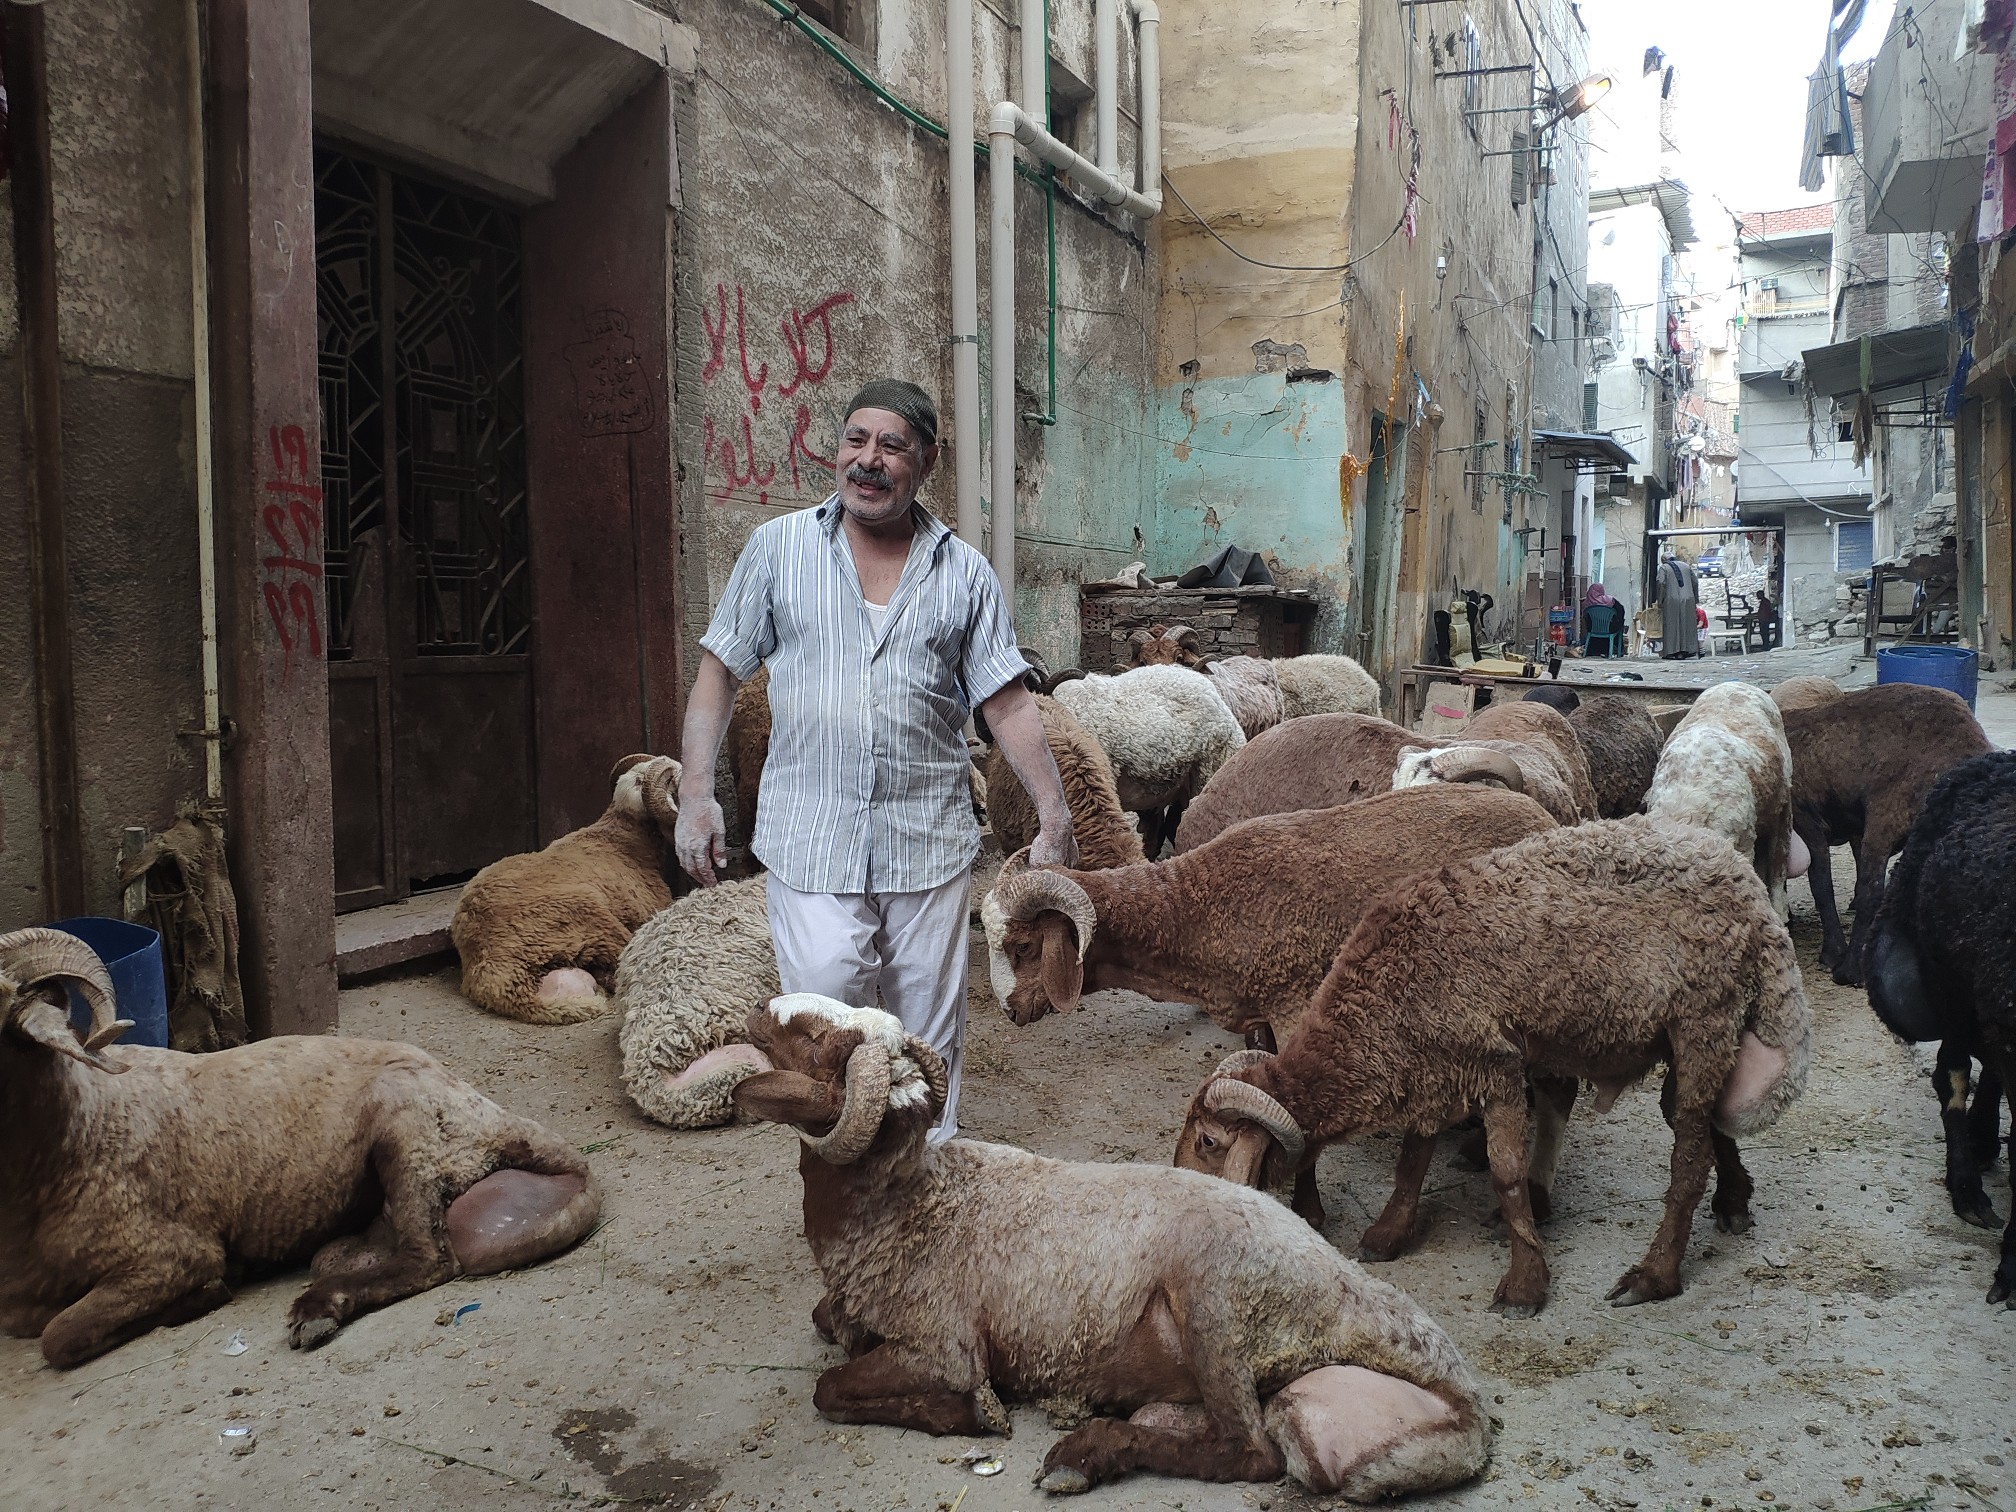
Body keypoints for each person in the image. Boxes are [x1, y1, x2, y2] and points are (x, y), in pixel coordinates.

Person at [673, 379, 1076, 1142]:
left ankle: (927, 1179)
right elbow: (719, 671)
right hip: (809, 834)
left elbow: (1008, 703)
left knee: (926, 1030)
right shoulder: (779, 549)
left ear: (924, 462)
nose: (869, 460)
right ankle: (847, 1182)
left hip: (925, 837)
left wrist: (1053, 815)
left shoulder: (964, 573)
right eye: (856, 440)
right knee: (827, 1016)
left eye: (891, 446)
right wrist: (697, 793)